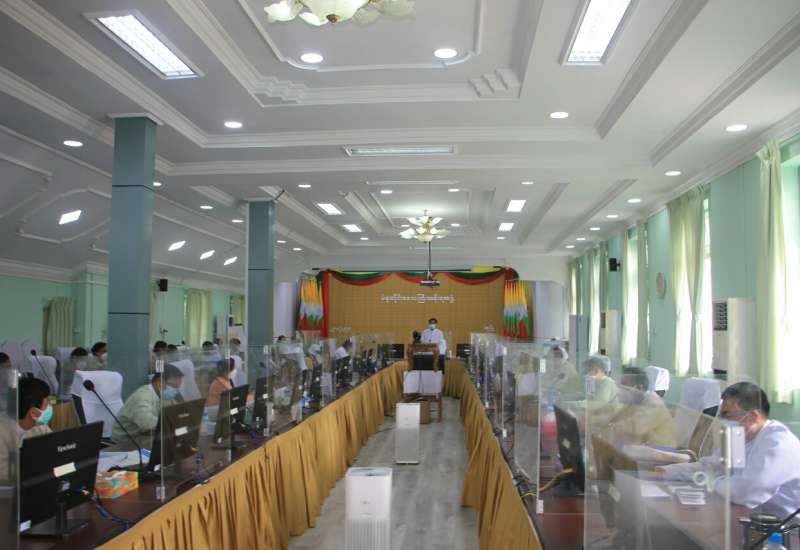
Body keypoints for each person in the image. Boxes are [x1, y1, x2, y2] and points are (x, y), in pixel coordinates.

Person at [657, 382, 800, 516]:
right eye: (722, 415)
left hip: (785, 526)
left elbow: (745, 492)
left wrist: (713, 481)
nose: (723, 421)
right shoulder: (739, 436)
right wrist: (666, 472)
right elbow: (710, 466)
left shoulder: (777, 443)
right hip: (748, 514)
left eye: (728, 415)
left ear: (753, 416)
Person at [605, 367, 677, 448]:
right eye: (620, 385)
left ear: (639, 388)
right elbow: (617, 418)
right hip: (644, 448)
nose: (620, 389)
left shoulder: (653, 402)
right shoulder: (634, 402)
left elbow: (635, 427)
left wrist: (611, 428)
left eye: (624, 385)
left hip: (662, 449)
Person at [112, 364, 184, 442]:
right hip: (123, 443)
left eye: (177, 387)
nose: (175, 391)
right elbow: (148, 426)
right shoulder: (143, 397)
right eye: (173, 386)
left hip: (144, 437)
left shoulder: (164, 395)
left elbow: (177, 414)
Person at [0, 377, 53, 479]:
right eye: (46, 405)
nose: (49, 408)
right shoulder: (2, 432)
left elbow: (56, 448)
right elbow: (4, 475)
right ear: (33, 412)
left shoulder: (39, 426)